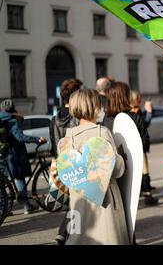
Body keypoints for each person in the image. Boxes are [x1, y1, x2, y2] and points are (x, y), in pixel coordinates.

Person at [62, 89, 129, 245]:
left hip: (79, 200)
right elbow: (118, 170)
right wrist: (120, 158)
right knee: (108, 236)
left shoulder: (67, 138)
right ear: (94, 107)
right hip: (105, 200)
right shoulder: (101, 133)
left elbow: (66, 174)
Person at [103, 82, 158, 206]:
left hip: (112, 166)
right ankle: (147, 193)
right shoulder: (133, 117)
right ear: (124, 97)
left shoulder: (104, 120)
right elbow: (144, 142)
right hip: (132, 164)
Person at [49, 78, 83, 245]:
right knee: (77, 201)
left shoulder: (54, 119)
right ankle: (65, 234)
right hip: (77, 163)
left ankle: (66, 234)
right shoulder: (77, 117)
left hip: (62, 163)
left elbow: (54, 147)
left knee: (74, 201)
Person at [0, 99, 46, 214]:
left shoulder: (0, 120)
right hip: (14, 155)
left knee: (3, 182)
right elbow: (20, 137)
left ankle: (3, 208)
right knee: (19, 178)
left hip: (3, 155)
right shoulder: (13, 120)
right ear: (13, 108)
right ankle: (26, 206)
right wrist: (36, 139)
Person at [130, 90, 158, 202]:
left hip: (134, 144)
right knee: (144, 169)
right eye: (139, 97)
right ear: (134, 99)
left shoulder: (128, 111)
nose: (140, 99)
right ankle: (147, 194)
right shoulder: (136, 111)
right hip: (140, 144)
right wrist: (149, 112)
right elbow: (145, 124)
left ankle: (144, 190)